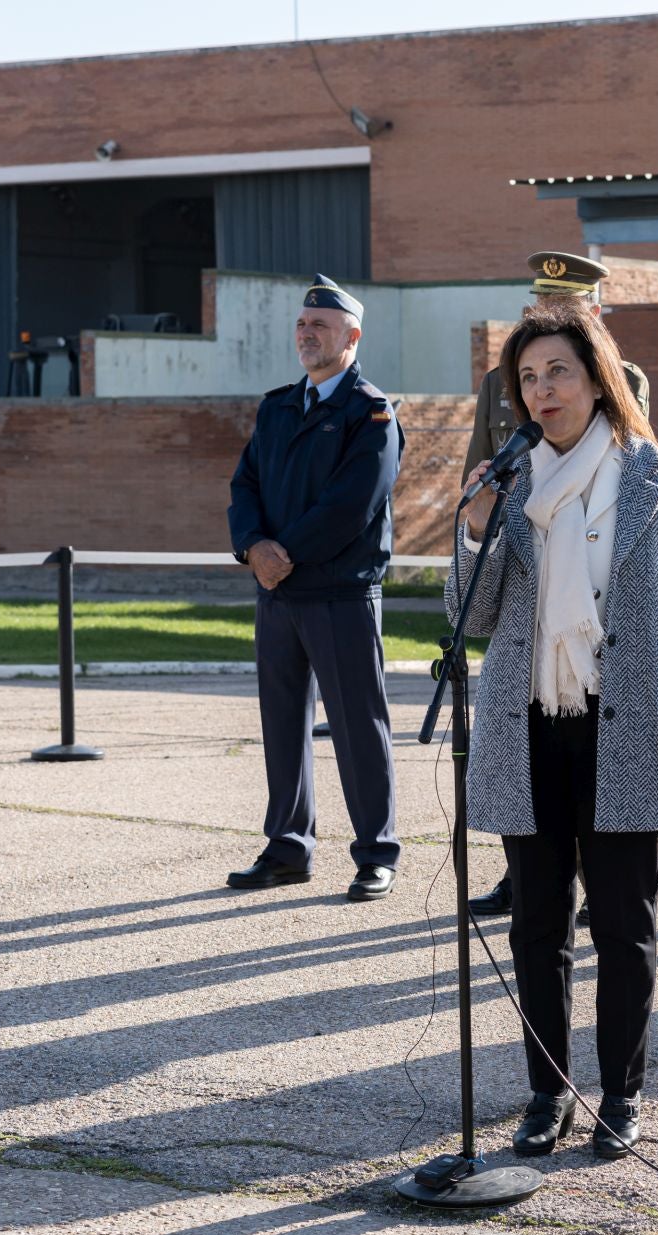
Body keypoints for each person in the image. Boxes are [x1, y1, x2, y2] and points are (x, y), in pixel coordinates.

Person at [451, 305, 658, 1161]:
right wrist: (471, 530)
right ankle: (546, 1092)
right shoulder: (510, 478)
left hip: (625, 723)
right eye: (527, 379)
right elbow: (473, 617)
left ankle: (621, 1092)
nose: (542, 391)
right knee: (535, 923)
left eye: (557, 372)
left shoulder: (657, 474)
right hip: (528, 726)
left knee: (623, 923)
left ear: (596, 375)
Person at [468, 251, 650, 923]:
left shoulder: (620, 379)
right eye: (545, 303)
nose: (542, 388)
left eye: (569, 308)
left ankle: (579, 876)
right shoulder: (500, 384)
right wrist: (477, 524)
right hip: (526, 594)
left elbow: (619, 471)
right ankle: (527, 879)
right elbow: (483, 471)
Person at [225, 274, 405, 903]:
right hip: (278, 595)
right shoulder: (277, 406)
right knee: (281, 727)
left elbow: (351, 505)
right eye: (302, 325)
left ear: (351, 336)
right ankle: (287, 848)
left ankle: (377, 852)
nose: (307, 334)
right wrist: (253, 547)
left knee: (359, 727)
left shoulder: (371, 413)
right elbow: (243, 485)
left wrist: (284, 553)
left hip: (338, 594)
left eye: (320, 326)